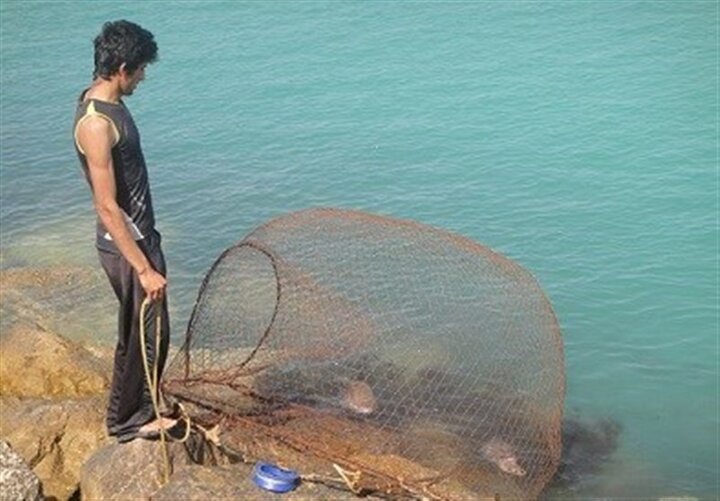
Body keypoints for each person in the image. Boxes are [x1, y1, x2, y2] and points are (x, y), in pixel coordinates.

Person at [73, 20, 177, 443]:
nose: (143, 76)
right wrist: (143, 267)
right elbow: (106, 205)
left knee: (155, 330)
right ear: (120, 67)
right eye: (139, 69)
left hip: (141, 238)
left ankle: (143, 405)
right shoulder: (97, 123)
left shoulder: (104, 100)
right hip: (125, 244)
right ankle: (125, 421)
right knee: (138, 334)